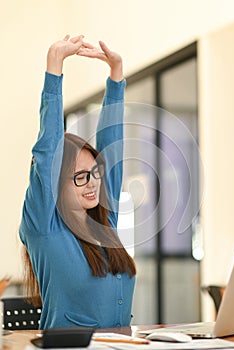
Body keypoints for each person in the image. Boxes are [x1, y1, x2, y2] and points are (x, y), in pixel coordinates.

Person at [19, 35, 136, 330]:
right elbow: (47, 152)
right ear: (57, 184)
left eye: (95, 172)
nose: (93, 182)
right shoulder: (43, 225)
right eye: (80, 176)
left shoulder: (104, 219)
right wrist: (54, 65)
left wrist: (116, 73)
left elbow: (113, 145)